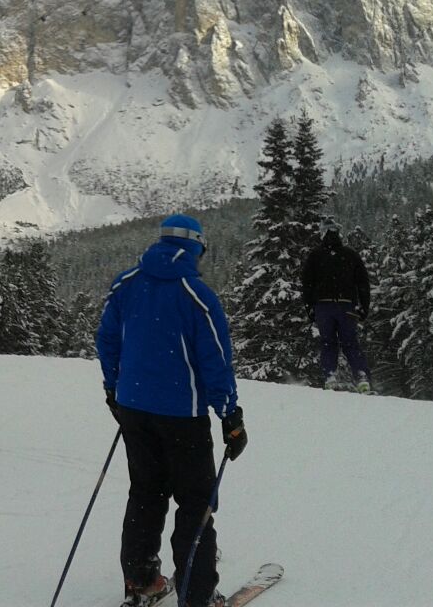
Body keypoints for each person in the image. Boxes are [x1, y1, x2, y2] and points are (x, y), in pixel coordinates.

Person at [96, 214, 246, 607]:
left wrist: (113, 389)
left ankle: (142, 581)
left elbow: (107, 340)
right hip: (183, 415)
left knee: (146, 493)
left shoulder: (126, 283)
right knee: (195, 503)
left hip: (134, 409)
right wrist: (230, 415)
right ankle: (196, 596)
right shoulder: (197, 295)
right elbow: (216, 361)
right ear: (196, 247)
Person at [300, 220, 372, 392]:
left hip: (323, 306)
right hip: (346, 306)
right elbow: (363, 283)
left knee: (328, 343)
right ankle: (362, 377)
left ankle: (330, 377)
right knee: (350, 342)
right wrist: (364, 307)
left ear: (322, 234)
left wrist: (310, 308)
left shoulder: (315, 256)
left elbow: (307, 284)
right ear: (339, 233)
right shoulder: (350, 255)